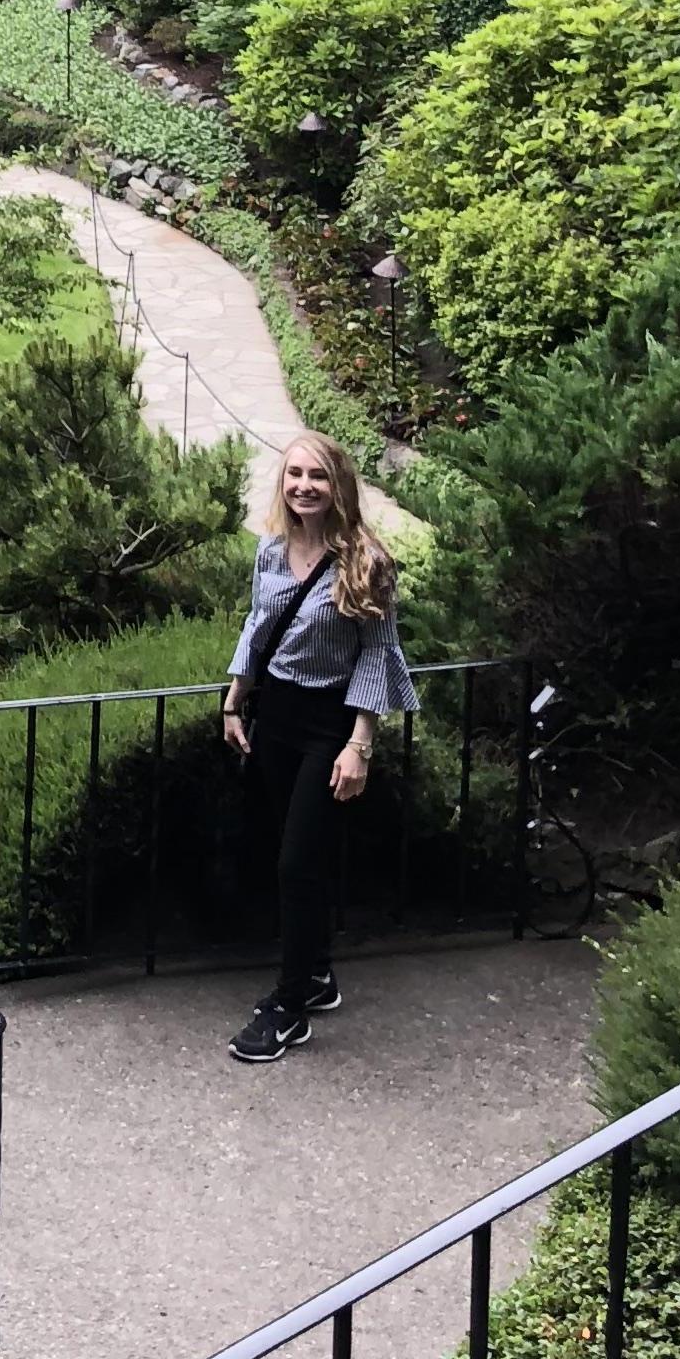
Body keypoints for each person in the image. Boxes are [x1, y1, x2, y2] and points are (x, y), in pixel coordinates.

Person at [218, 433, 416, 1064]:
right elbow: (257, 627)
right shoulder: (271, 551)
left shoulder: (367, 561)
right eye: (294, 473)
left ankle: (288, 1007)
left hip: (330, 725)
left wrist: (360, 743)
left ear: (340, 486)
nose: (303, 486)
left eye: (318, 477)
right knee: (291, 854)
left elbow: (377, 654)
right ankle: (319, 972)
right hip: (274, 714)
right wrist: (233, 700)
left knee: (298, 865)